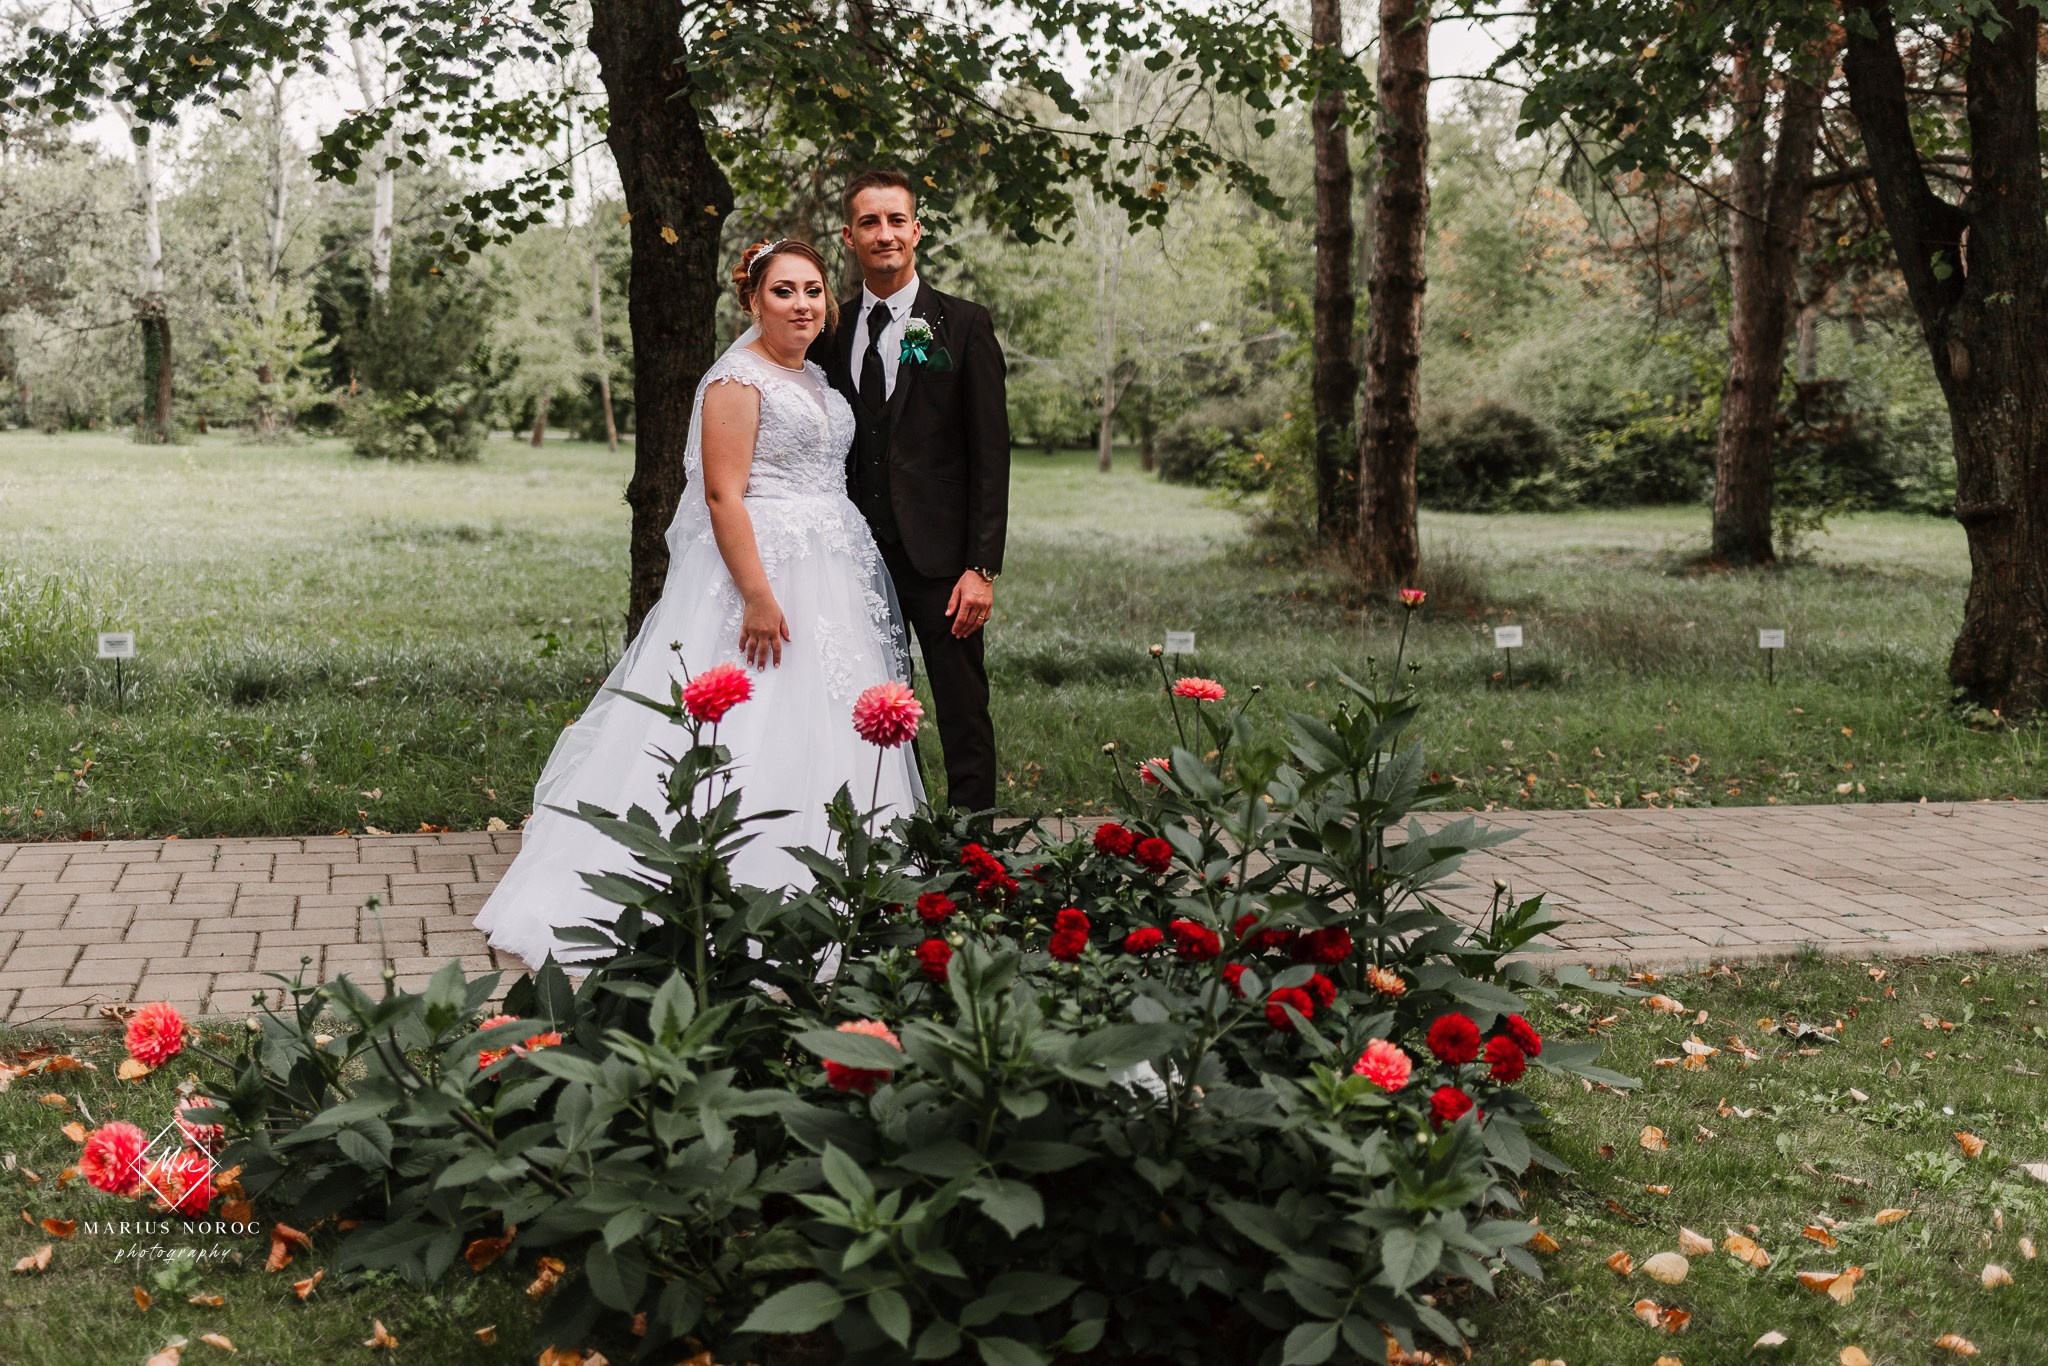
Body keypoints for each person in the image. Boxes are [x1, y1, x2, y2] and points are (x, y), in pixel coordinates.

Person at [475, 240, 923, 970]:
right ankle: (727, 890)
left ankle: (839, 886)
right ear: (753, 300)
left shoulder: (811, 375)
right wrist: (756, 595)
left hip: (830, 569)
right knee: (757, 720)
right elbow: (721, 494)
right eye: (784, 291)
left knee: (829, 716)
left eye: (813, 290)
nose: (803, 304)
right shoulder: (736, 382)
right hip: (767, 571)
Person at [809, 170, 1011, 813]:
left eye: (897, 220)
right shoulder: (828, 332)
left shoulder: (965, 326)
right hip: (854, 556)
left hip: (942, 560)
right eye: (869, 222)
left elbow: (991, 454)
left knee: (959, 703)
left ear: (916, 230)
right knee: (875, 704)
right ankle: (900, 831)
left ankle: (974, 843)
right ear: (849, 236)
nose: (885, 233)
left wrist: (981, 567)